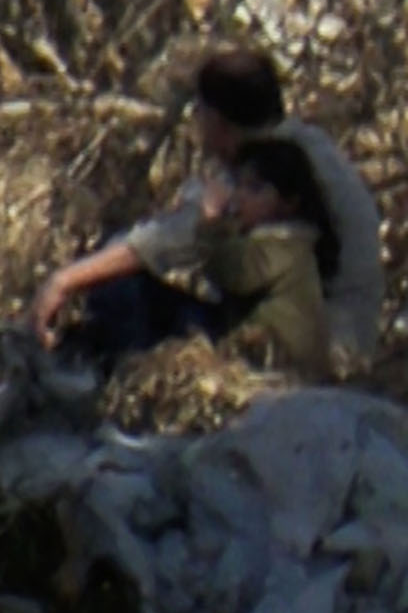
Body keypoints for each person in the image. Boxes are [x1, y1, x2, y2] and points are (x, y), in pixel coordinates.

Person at [35, 47, 384, 373]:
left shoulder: (266, 171)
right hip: (346, 339)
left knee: (122, 287)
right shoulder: (310, 146)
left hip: (299, 350)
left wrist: (64, 281)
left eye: (199, 112)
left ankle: (109, 388)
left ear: (218, 121)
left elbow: (164, 242)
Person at [200, 135, 339, 383]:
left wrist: (212, 223)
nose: (240, 196)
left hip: (286, 373)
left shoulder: (285, 246)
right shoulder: (274, 242)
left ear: (289, 203)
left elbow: (235, 273)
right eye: (238, 185)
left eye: (254, 189)